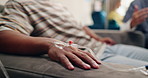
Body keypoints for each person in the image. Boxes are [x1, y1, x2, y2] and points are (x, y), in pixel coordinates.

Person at [0, 0, 148, 70]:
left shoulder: (59, 6)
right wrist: (51, 44)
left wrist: (98, 38)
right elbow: (4, 36)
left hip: (104, 46)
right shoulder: (19, 4)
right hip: (92, 54)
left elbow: (80, 26)